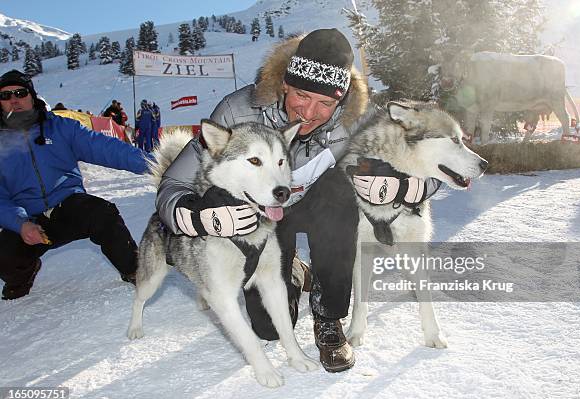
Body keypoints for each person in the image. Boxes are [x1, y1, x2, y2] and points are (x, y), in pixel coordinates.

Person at [156, 29, 368, 372]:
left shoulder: (349, 126)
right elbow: (173, 184)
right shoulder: (238, 111)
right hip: (262, 219)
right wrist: (196, 218)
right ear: (285, 84)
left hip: (317, 206)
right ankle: (294, 271)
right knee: (267, 328)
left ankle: (329, 316)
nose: (310, 112)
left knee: (341, 194)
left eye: (326, 103)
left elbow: (403, 162)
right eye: (302, 94)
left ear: (340, 102)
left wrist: (409, 189)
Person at [0, 70, 152, 300]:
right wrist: (20, 224)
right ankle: (23, 274)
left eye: (20, 93)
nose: (14, 99)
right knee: (4, 255)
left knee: (102, 213)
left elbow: (105, 148)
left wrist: (153, 164)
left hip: (67, 206)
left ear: (32, 95)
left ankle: (136, 270)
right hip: (28, 220)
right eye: (6, 95)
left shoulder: (60, 127)